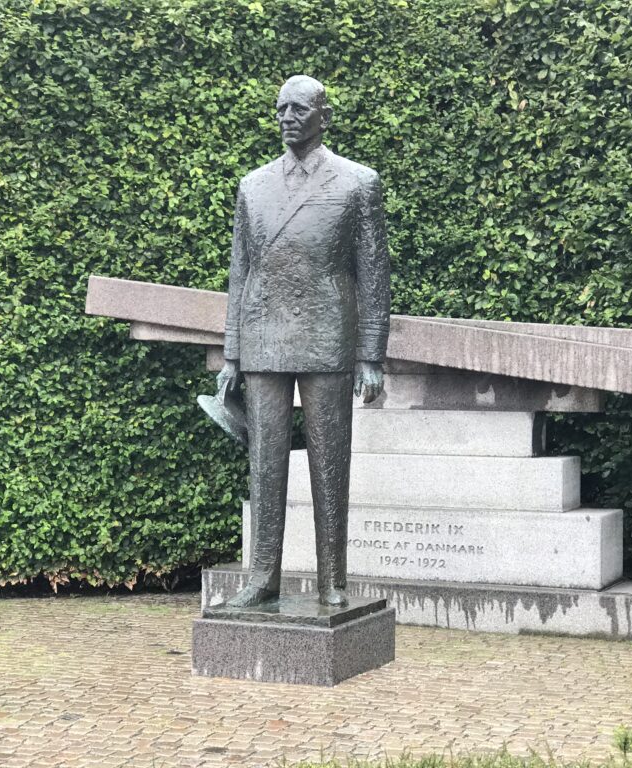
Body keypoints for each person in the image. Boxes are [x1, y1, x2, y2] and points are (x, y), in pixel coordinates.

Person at [217, 75, 391, 608]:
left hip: (327, 337)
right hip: (264, 336)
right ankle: (262, 576)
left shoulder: (357, 183)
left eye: (298, 108)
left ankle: (333, 578)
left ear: (324, 116)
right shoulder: (254, 186)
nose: (287, 117)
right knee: (265, 463)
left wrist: (370, 353)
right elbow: (240, 272)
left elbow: (374, 274)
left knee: (328, 462)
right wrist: (231, 354)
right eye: (280, 109)